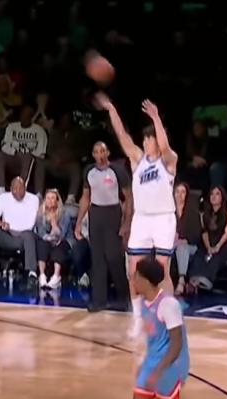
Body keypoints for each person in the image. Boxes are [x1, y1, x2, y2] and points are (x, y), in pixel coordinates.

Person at [97, 94, 177, 321]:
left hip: (163, 218)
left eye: (149, 139)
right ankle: (138, 317)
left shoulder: (169, 161)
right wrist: (111, 109)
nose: (145, 142)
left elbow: (165, 146)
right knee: (133, 269)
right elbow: (122, 136)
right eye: (145, 139)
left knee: (162, 270)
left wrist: (155, 117)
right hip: (142, 219)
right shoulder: (138, 159)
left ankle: (169, 314)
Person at [129, 257, 189, 399]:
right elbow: (153, 339)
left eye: (136, 276)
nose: (133, 279)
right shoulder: (144, 303)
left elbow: (177, 343)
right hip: (154, 360)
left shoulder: (168, 305)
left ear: (145, 280)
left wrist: (159, 370)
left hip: (172, 363)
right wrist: (145, 363)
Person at [75, 142, 132, 311]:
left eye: (102, 151)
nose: (100, 154)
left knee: (114, 256)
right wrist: (79, 222)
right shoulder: (89, 171)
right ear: (93, 154)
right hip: (96, 213)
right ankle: (99, 301)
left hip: (113, 213)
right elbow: (85, 197)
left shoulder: (118, 170)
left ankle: (124, 297)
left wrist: (126, 222)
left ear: (108, 153)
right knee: (97, 258)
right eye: (96, 152)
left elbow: (129, 197)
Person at [187, 186, 227, 291]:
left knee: (216, 256)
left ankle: (206, 280)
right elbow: (204, 232)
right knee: (199, 254)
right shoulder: (204, 213)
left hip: (224, 243)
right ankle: (193, 280)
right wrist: (208, 246)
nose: (214, 196)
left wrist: (218, 246)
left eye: (217, 194)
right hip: (208, 242)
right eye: (212, 194)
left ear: (222, 197)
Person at [34, 189, 72, 289]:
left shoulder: (64, 213)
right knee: (41, 243)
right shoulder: (40, 214)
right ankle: (42, 275)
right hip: (49, 240)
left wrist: (54, 223)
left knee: (59, 246)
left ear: (57, 201)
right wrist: (49, 238)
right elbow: (41, 232)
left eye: (52, 198)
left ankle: (56, 276)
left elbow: (62, 234)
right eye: (48, 198)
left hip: (64, 240)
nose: (50, 201)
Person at [173, 183, 202, 296]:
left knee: (182, 248)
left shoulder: (192, 212)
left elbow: (196, 235)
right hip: (171, 244)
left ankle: (181, 280)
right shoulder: (168, 212)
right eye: (177, 192)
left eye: (183, 192)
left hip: (190, 245)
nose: (180, 195)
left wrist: (184, 240)